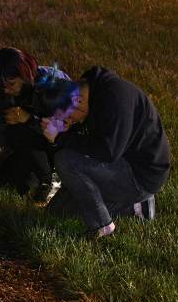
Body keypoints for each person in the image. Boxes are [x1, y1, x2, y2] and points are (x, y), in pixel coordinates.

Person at [32, 68, 170, 238]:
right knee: (57, 212)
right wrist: (64, 133)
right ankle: (132, 206)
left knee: (65, 160)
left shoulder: (115, 100)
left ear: (77, 101)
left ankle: (102, 224)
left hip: (141, 175)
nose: (71, 121)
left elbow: (107, 152)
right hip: (121, 162)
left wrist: (61, 137)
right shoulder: (92, 91)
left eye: (69, 117)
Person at [0, 48, 68, 201]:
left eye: (12, 83)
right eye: (2, 86)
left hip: (59, 147)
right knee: (6, 183)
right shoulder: (2, 94)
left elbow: (67, 129)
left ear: (25, 76)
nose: (7, 90)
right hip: (28, 148)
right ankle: (35, 176)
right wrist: (6, 122)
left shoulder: (52, 83)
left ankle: (51, 178)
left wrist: (29, 119)